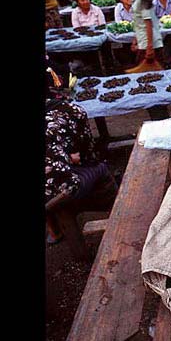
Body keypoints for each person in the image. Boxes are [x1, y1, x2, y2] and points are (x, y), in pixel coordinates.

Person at [45, 65, 116, 243]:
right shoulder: (71, 111)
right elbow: (88, 155)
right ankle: (116, 209)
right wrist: (71, 159)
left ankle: (54, 230)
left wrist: (65, 157)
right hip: (60, 192)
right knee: (97, 168)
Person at [122, 0, 164, 70]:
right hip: (143, 41)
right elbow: (139, 22)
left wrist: (149, 47)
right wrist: (135, 40)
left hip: (150, 43)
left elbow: (148, 23)